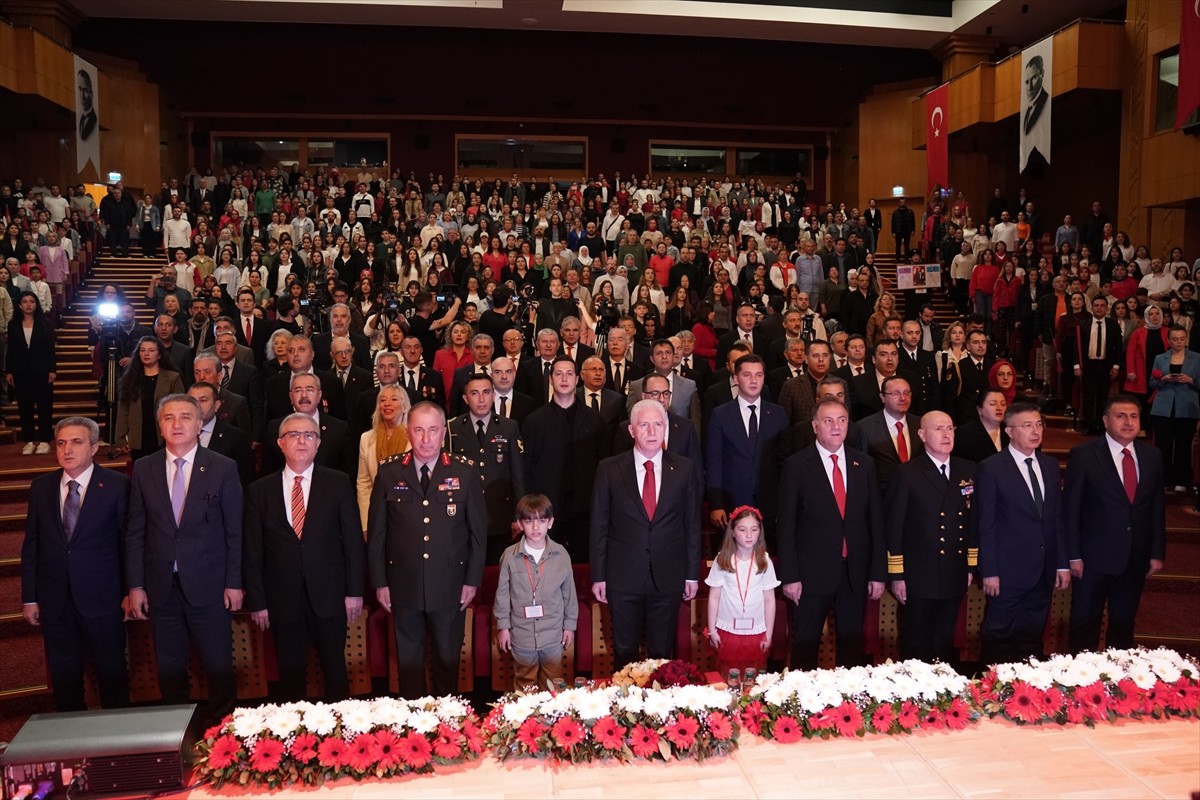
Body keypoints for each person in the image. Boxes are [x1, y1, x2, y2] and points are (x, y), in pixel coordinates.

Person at [125, 394, 244, 724]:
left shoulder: (222, 467)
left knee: (219, 665)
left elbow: (235, 531)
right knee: (170, 668)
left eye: (185, 417)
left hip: (209, 584)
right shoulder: (145, 467)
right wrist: (135, 585)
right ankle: (177, 734)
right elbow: (135, 532)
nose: (177, 424)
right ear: (160, 425)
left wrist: (234, 582)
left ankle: (225, 736)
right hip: (161, 588)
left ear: (200, 423)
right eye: (168, 418)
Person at [244, 412, 365, 702]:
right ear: (280, 443)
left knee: (336, 671)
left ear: (318, 443)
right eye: (294, 435)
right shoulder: (259, 491)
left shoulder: (337, 483)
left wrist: (355, 591)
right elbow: (252, 551)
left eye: (309, 435)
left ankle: (342, 737)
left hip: (330, 596)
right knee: (290, 674)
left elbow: (352, 542)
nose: (301, 440)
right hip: (282, 599)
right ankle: (295, 741)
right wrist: (257, 602)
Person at [368, 401, 486, 699]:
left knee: (447, 661)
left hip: (450, 584)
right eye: (418, 430)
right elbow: (378, 534)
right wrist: (380, 583)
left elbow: (477, 534)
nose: (425, 438)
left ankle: (449, 728)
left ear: (443, 433)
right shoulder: (390, 472)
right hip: (403, 585)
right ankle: (415, 731)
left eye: (432, 430)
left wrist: (472, 581)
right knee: (408, 664)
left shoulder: (464, 472)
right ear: (408, 431)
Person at [21, 417, 130, 711]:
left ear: (94, 447)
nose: (67, 449)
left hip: (103, 599)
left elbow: (127, 544)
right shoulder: (41, 487)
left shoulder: (118, 485)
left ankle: (117, 744)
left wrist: (131, 590)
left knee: (112, 675)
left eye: (77, 442)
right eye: (61, 443)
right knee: (65, 678)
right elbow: (32, 544)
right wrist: (30, 597)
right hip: (55, 599)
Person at [590, 399, 702, 668]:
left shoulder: (684, 469)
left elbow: (691, 525)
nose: (651, 432)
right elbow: (599, 525)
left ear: (665, 429)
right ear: (631, 431)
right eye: (644, 425)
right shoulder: (609, 469)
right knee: (625, 651)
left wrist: (691, 574)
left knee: (662, 653)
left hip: (669, 575)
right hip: (623, 576)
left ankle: (658, 708)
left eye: (658, 425)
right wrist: (598, 575)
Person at [777, 398, 885, 668]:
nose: (836, 426)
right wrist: (790, 577)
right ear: (815, 426)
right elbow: (786, 526)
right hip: (811, 575)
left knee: (852, 648)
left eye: (842, 420)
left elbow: (876, 523)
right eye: (828, 421)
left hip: (855, 573)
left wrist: (877, 573)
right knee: (805, 646)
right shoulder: (797, 465)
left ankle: (850, 707)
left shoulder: (865, 464)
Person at [1064, 395, 1165, 654]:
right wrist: (1072, 554)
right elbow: (1071, 509)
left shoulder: (1152, 455)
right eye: (1121, 416)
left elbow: (1156, 508)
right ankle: (1079, 683)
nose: (1128, 422)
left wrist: (1156, 552)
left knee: (1123, 625)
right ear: (1106, 420)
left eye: (1134, 416)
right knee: (1085, 624)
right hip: (1092, 558)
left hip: (1135, 557)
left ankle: (1119, 686)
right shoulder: (1084, 455)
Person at [976, 403, 1068, 664]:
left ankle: (1026, 693)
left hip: (1043, 569)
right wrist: (989, 570)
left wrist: (1062, 563)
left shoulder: (1049, 465)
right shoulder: (991, 468)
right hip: (1007, 570)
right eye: (1027, 426)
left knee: (1031, 635)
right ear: (1010, 431)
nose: (1035, 431)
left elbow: (1056, 519)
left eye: (1039, 424)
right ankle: (993, 692)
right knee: (998, 633)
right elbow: (987, 524)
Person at [885, 411, 976, 664]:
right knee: (916, 643)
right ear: (922, 435)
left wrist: (970, 566)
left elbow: (972, 523)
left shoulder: (967, 470)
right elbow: (894, 527)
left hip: (954, 571)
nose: (946, 434)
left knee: (944, 641)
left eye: (950, 428)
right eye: (938, 429)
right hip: (919, 574)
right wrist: (897, 575)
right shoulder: (907, 473)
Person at [523, 357, 605, 561]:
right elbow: (526, 468)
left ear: (577, 378)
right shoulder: (534, 421)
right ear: (551, 379)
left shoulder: (594, 420)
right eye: (558, 373)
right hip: (545, 515)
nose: (564, 378)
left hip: (585, 512)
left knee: (583, 573)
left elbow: (602, 466)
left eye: (569, 373)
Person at [494, 493, 578, 691]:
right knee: (525, 684)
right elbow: (502, 595)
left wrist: (569, 626)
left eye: (541, 520)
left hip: (553, 633)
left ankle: (552, 721)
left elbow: (569, 595)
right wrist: (503, 627)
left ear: (550, 522)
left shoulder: (561, 555)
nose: (535, 527)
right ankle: (527, 722)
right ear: (520, 524)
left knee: (553, 685)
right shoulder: (509, 556)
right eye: (529, 521)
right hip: (521, 634)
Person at [446, 373, 526, 565]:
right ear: (465, 398)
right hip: (464, 517)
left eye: (486, 392)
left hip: (499, 517)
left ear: (494, 395)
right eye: (474, 393)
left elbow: (518, 475)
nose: (481, 399)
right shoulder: (452, 428)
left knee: (497, 575)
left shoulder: (508, 427)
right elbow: (447, 475)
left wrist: (519, 516)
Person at [705, 354, 787, 533]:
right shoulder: (720, 415)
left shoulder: (778, 414)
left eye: (759, 375)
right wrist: (716, 504)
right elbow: (714, 462)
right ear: (736, 378)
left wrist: (783, 503)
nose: (753, 380)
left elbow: (783, 462)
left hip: (769, 505)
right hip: (731, 504)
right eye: (747, 375)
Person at [704, 505, 779, 676]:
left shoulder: (764, 560)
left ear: (760, 532)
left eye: (754, 529)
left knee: (754, 677)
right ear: (732, 531)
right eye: (742, 529)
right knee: (728, 675)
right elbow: (714, 597)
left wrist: (769, 633)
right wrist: (712, 630)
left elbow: (769, 600)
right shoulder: (722, 559)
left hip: (756, 631)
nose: (749, 535)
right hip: (728, 629)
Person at [115, 336, 185, 461]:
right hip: (138, 435)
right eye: (143, 350)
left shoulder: (173, 378)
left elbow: (181, 407)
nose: (146, 354)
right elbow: (123, 410)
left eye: (151, 350)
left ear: (159, 355)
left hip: (164, 434)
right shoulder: (130, 378)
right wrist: (120, 437)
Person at [1148, 326, 1200, 492]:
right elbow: (1152, 383)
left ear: (1186, 339)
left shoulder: (1197, 358)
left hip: (1187, 407)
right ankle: (1163, 479)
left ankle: (1181, 481)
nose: (1179, 342)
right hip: (1163, 407)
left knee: (1183, 445)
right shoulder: (1160, 358)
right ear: (1169, 340)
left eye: (1182, 339)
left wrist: (1191, 380)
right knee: (1163, 444)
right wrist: (1163, 379)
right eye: (1175, 339)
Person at [6, 290, 56, 454]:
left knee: (44, 406)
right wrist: (9, 371)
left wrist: (52, 369)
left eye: (32, 301)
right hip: (20, 370)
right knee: (24, 407)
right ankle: (28, 440)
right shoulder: (13, 324)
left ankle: (44, 440)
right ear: (19, 305)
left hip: (42, 369)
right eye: (25, 302)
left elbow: (50, 349)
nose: (29, 304)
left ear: (36, 304)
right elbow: (11, 349)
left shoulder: (45, 323)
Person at [355, 384, 411, 527]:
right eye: (382, 400)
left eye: (394, 399)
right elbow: (364, 484)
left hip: (408, 514)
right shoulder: (366, 439)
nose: (387, 404)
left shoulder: (414, 438)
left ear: (404, 406)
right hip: (377, 514)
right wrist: (366, 523)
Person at [857, 375, 925, 493]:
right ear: (882, 397)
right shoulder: (865, 427)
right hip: (882, 497)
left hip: (918, 495)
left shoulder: (921, 424)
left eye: (907, 393)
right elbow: (862, 470)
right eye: (895, 393)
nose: (903, 398)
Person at [189, 381, 254, 486]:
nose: (197, 406)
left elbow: (243, 481)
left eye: (203, 400)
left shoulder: (236, 437)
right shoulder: (177, 434)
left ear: (216, 405)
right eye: (192, 401)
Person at [1076, 295, 1123, 435]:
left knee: (1103, 396)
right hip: (1088, 365)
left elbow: (1119, 347)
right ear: (1092, 307)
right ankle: (1089, 425)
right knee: (1089, 396)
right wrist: (1077, 366)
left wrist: (1116, 366)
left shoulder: (1113, 324)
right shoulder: (1084, 324)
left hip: (1106, 366)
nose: (1099, 308)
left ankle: (1101, 426)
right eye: (1096, 305)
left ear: (1107, 308)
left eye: (1102, 306)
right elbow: (1076, 346)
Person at [953, 388, 1010, 463]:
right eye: (992, 404)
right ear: (979, 409)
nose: (999, 408)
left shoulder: (1011, 431)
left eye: (1003, 404)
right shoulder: (964, 434)